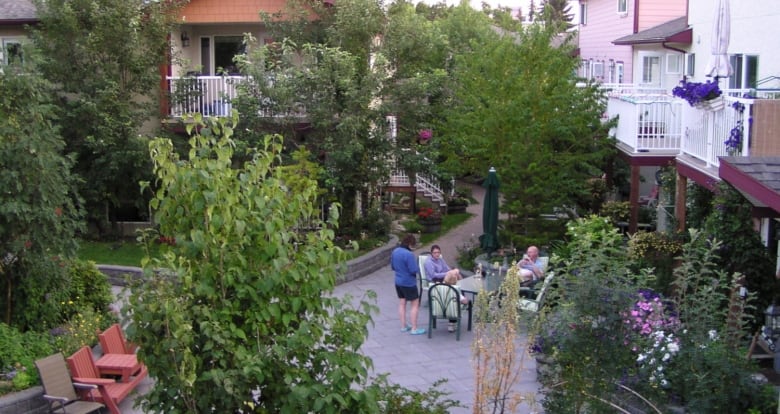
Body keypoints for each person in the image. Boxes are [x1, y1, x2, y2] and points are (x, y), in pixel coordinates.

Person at [391, 234, 426, 335]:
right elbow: (413, 270)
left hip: (398, 282)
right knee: (415, 304)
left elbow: (393, 266)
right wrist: (420, 270)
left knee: (402, 303)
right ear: (410, 244)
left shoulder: (395, 251)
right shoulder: (409, 254)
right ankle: (414, 328)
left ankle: (403, 326)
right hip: (408, 283)